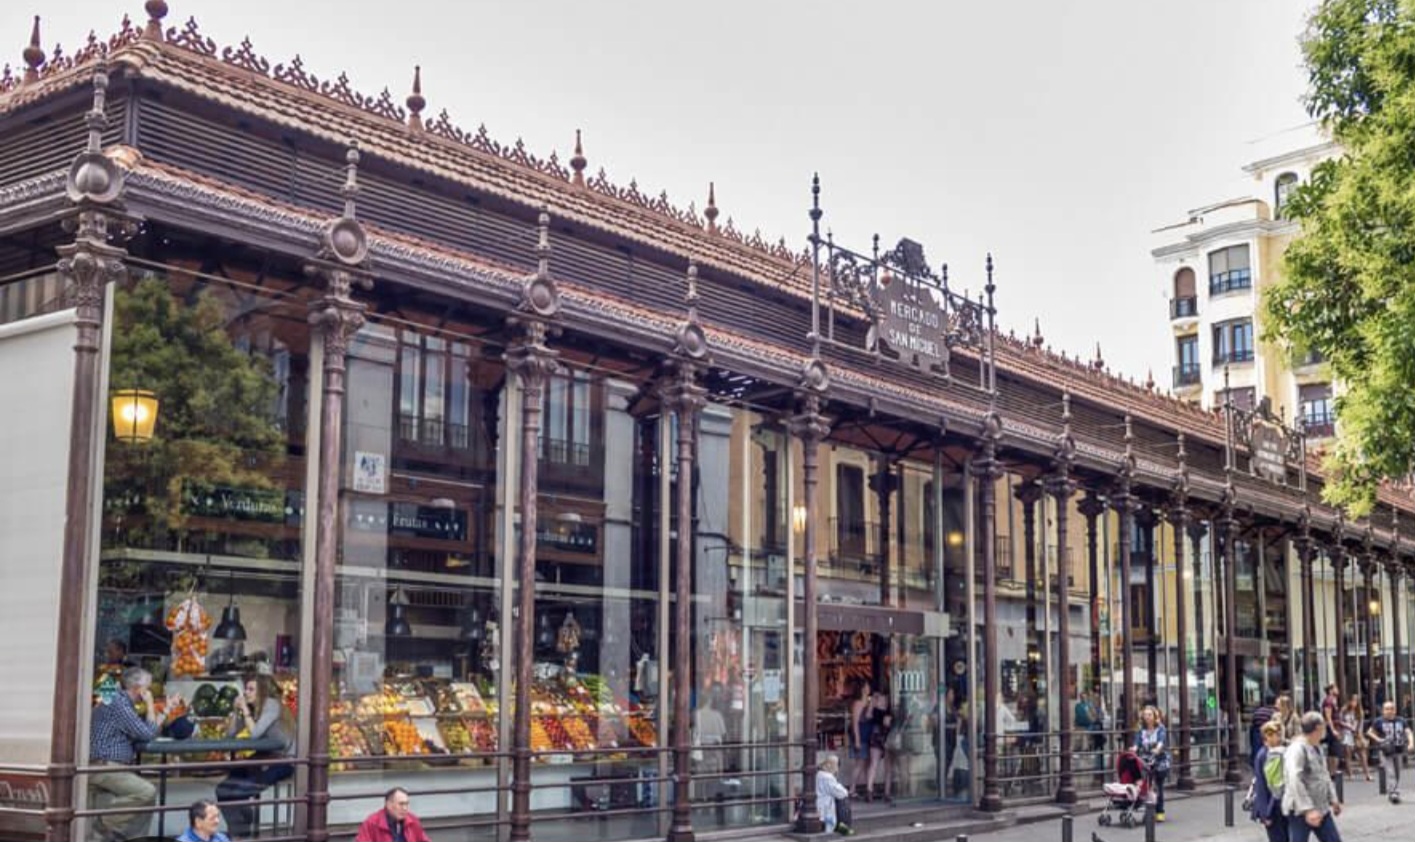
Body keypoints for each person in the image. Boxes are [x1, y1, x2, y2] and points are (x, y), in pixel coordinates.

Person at [88, 666, 167, 842]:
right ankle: (104, 822)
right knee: (147, 792)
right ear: (138, 688)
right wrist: (149, 704)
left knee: (146, 803)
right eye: (149, 687)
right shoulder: (118, 702)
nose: (151, 690)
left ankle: (133, 838)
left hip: (112, 765)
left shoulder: (122, 703)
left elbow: (147, 730)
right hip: (103, 765)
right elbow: (147, 734)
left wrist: (166, 710)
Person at [214, 675, 296, 837]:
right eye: (246, 688)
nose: (246, 692)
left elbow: (255, 735)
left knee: (236, 793)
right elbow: (230, 734)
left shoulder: (271, 705)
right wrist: (236, 711)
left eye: (251, 689)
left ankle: (241, 831)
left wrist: (245, 710)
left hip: (284, 761)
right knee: (222, 790)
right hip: (264, 756)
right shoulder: (253, 709)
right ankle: (242, 829)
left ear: (262, 692)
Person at [1282, 712, 1343, 842]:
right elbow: (1294, 779)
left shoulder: (1317, 747)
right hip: (1300, 810)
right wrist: (1307, 809)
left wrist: (1333, 798)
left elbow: (1324, 774)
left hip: (1321, 806)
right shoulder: (1297, 749)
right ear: (1318, 728)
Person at [1365, 700, 1414, 798]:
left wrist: (1411, 743)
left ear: (1395, 710)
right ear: (1383, 711)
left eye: (1391, 709)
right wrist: (1379, 739)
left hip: (1399, 750)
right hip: (1385, 751)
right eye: (1387, 709)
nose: (1389, 711)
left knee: (1397, 772)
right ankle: (1393, 792)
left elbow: (1408, 732)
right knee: (1390, 771)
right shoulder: (1379, 721)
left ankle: (1393, 788)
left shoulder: (1401, 720)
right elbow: (1369, 732)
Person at [1250, 721, 1287, 842]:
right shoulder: (1263, 755)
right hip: (1273, 807)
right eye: (1277, 734)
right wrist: (1266, 813)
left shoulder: (1280, 751)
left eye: (1279, 733)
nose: (1280, 737)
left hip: (1283, 804)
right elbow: (1261, 786)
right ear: (1268, 736)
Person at [1133, 705, 1170, 823]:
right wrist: (1133, 749)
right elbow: (1137, 743)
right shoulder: (1141, 730)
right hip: (1145, 760)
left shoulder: (1160, 728)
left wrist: (1157, 749)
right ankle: (1148, 810)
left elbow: (1161, 742)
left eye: (1150, 715)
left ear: (1155, 716)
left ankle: (1160, 811)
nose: (1147, 717)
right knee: (1146, 785)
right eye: (1145, 715)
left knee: (1158, 786)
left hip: (1159, 760)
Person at [355, 787, 433, 842]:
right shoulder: (372, 823)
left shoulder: (412, 820)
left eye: (407, 804)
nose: (405, 808)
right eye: (401, 804)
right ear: (388, 805)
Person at [865, 692, 894, 804]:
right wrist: (872, 702)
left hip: (882, 737)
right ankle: (871, 791)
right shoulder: (878, 712)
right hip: (879, 737)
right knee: (875, 764)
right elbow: (869, 716)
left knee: (883, 766)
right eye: (881, 700)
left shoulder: (886, 712)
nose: (884, 702)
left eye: (885, 700)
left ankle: (878, 791)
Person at [815, 753, 853, 835]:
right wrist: (846, 791)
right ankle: (844, 828)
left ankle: (841, 828)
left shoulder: (819, 774)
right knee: (843, 801)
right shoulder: (827, 777)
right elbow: (840, 793)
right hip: (824, 806)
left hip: (820, 803)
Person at [848, 680, 873, 795]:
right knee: (860, 763)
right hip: (861, 736)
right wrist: (857, 740)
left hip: (867, 736)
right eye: (867, 686)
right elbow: (855, 722)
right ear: (863, 689)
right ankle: (852, 788)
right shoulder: (858, 704)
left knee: (865, 762)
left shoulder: (867, 703)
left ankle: (863, 786)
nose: (869, 688)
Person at [1339, 695, 1370, 781]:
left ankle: (1367, 774)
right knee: (1348, 754)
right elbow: (1340, 721)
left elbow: (1361, 724)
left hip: (1356, 734)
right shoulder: (1344, 710)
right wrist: (1346, 726)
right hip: (1347, 733)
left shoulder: (1359, 712)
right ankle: (1350, 774)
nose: (1354, 703)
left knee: (1362, 754)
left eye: (1356, 701)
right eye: (1352, 701)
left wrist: (1359, 734)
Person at [1321, 685, 1343, 774]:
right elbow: (1328, 716)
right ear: (1330, 691)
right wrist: (1333, 729)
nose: (1337, 690)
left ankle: (1332, 771)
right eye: (1335, 688)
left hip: (1335, 726)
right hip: (1331, 727)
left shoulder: (1333, 701)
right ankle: (1332, 771)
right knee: (1334, 749)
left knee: (1333, 750)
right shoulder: (1328, 701)